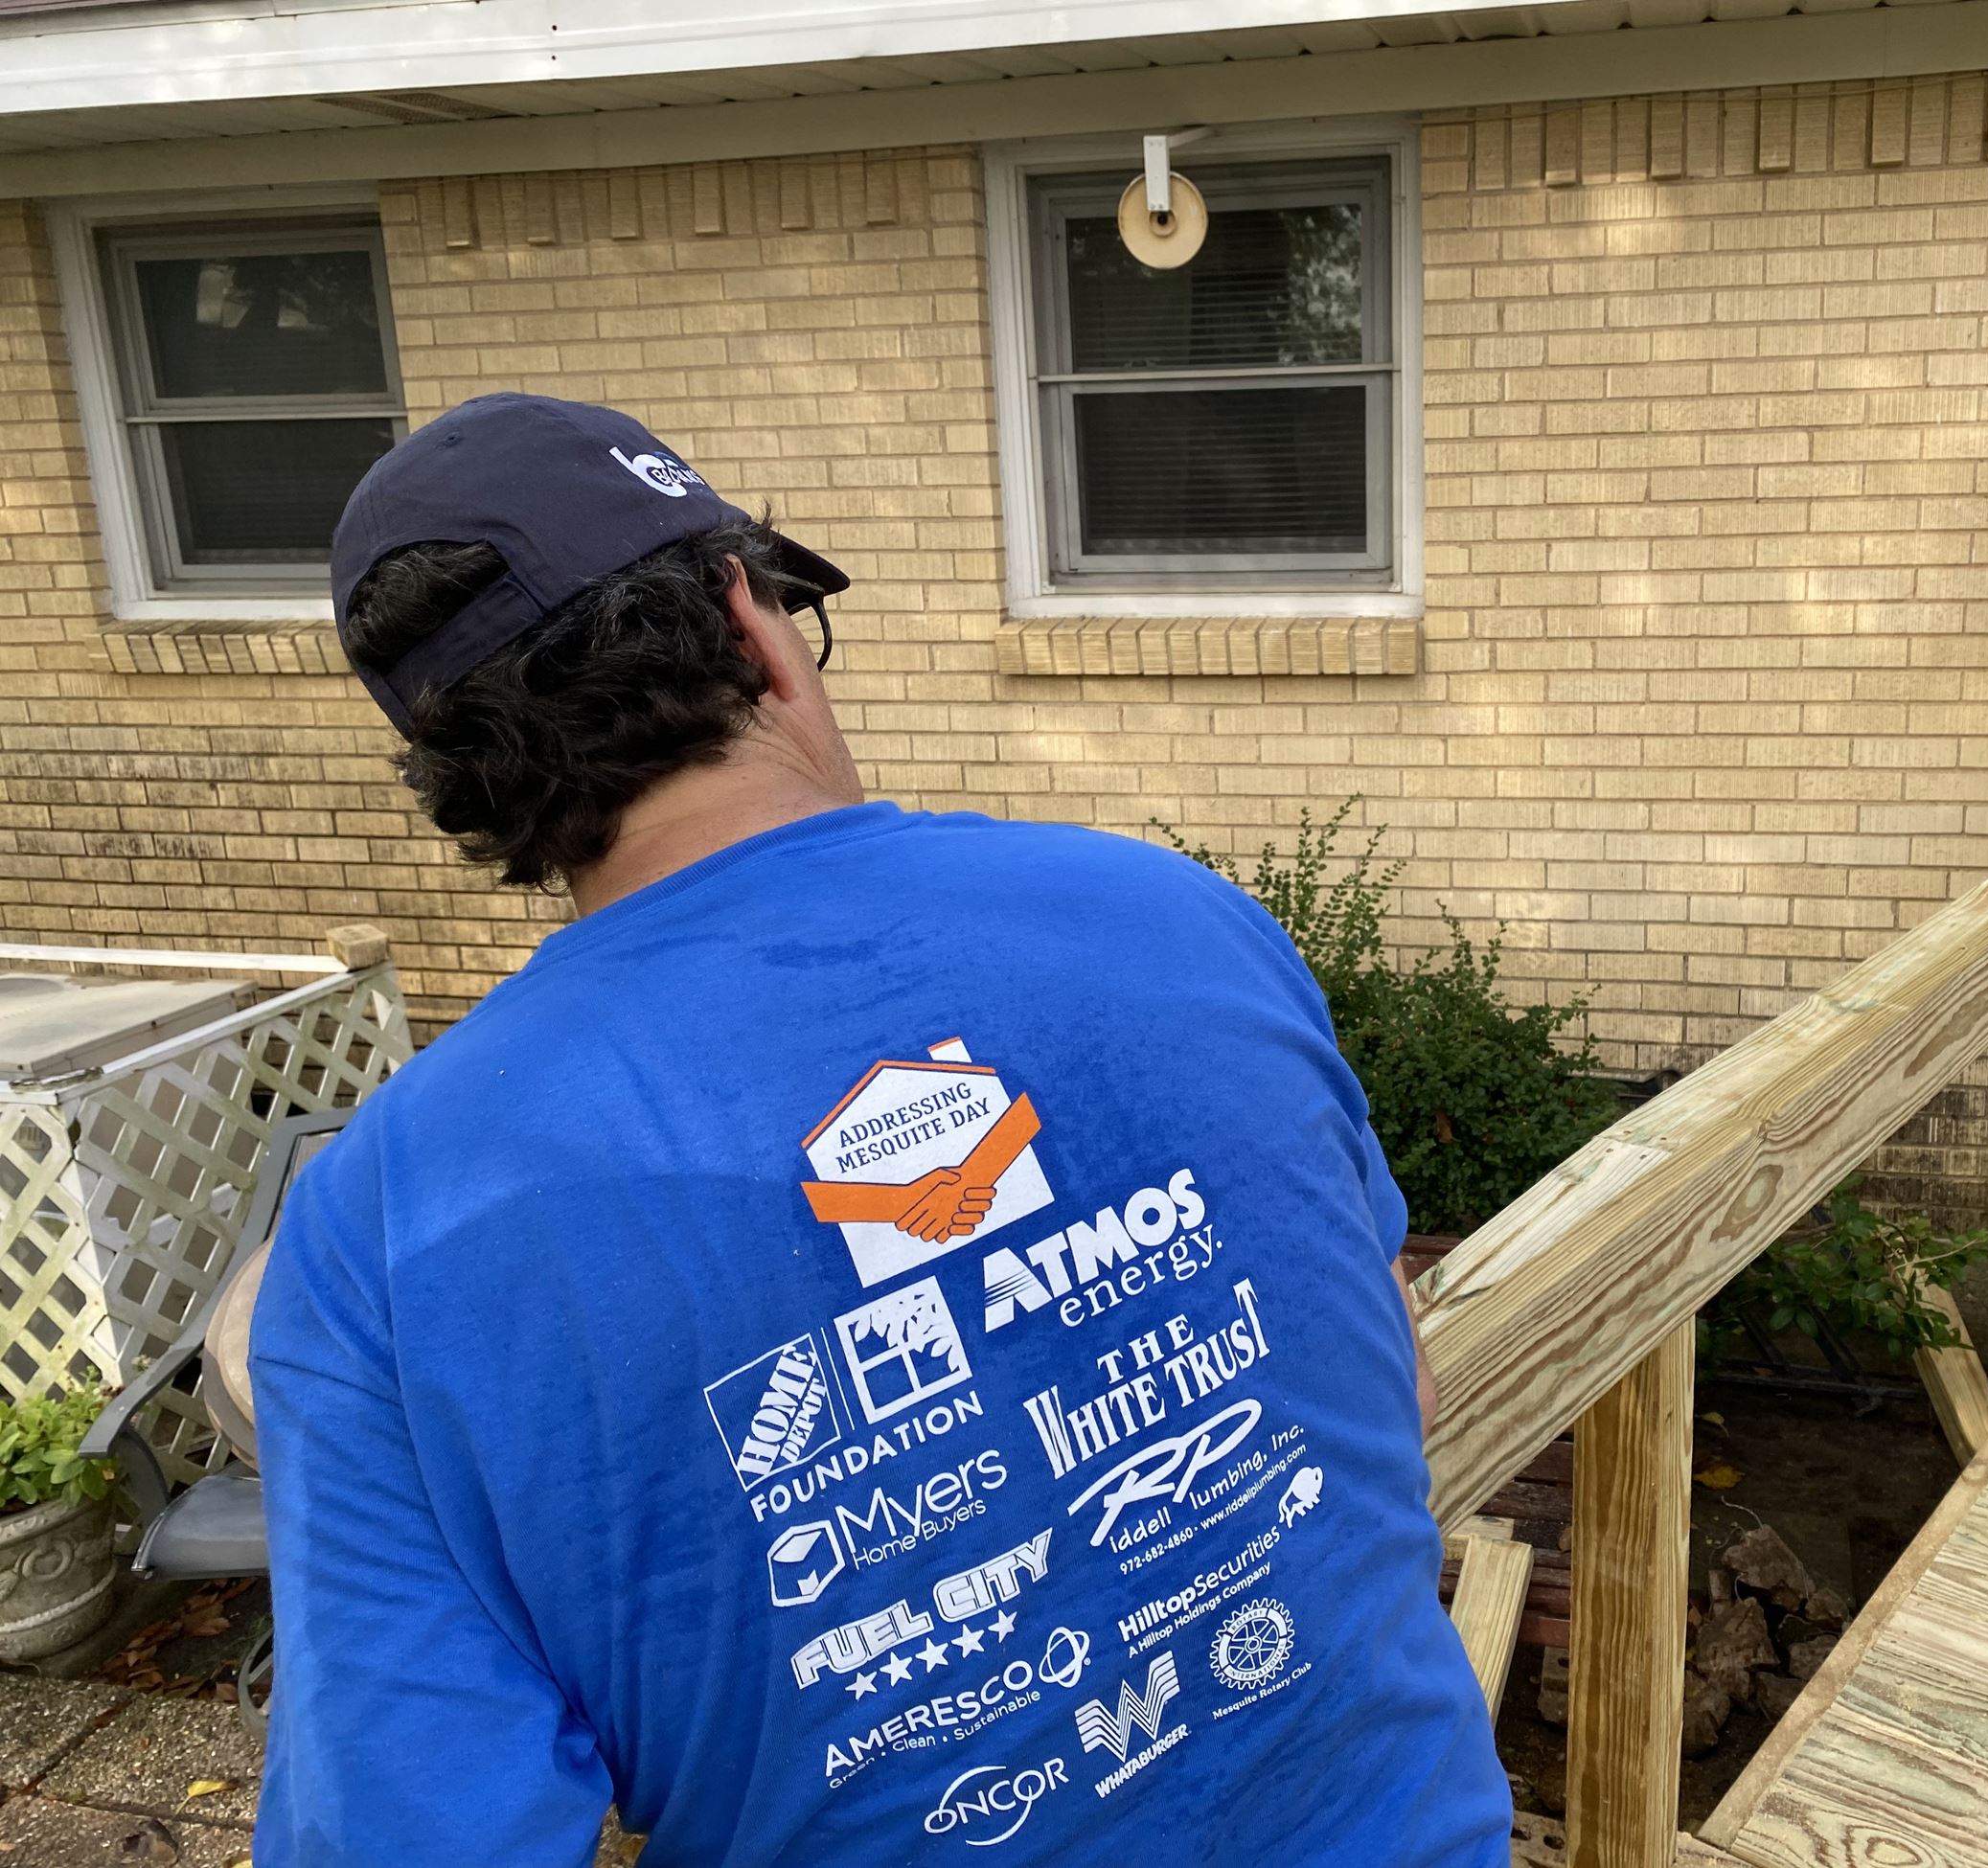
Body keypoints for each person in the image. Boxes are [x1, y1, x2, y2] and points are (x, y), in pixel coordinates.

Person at [248, 393, 1512, 1865]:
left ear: (461, 784)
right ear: (751, 623)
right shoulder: (1175, 913)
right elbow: (1388, 1382)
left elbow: (408, 1828)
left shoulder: (384, 1231)